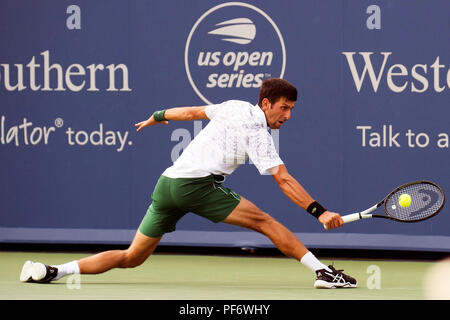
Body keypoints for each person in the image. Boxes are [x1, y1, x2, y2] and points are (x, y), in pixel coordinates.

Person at [20, 78, 357, 289]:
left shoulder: (233, 107)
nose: (287, 116)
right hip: (195, 186)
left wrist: (159, 115)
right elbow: (283, 178)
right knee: (266, 223)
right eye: (284, 108)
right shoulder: (257, 131)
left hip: (167, 184)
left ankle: (53, 271)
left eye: (292, 109)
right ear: (266, 103)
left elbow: (194, 111)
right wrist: (319, 212)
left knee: (133, 256)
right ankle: (322, 273)